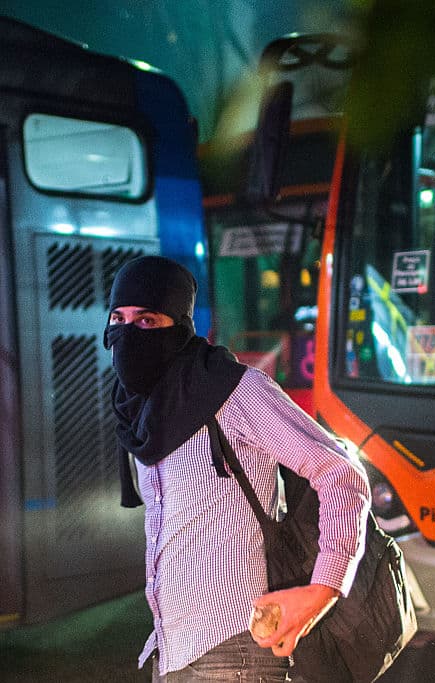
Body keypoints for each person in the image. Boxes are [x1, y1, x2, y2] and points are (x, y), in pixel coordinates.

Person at [103, 255, 370, 682]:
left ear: (179, 324)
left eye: (148, 321)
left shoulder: (233, 390)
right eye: (119, 318)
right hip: (170, 649)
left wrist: (323, 589)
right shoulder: (141, 409)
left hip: (237, 650)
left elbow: (340, 474)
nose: (128, 334)